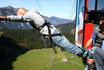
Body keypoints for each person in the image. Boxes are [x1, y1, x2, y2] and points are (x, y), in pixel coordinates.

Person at [0, 8, 83, 56]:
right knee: (68, 46)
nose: (21, 17)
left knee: (69, 48)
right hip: (54, 32)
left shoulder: (28, 15)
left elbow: (18, 19)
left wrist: (4, 17)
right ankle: (83, 53)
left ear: (22, 12)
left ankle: (85, 54)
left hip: (53, 34)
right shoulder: (33, 13)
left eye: (19, 15)